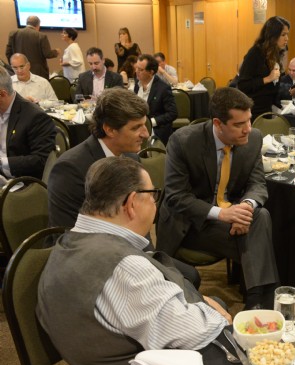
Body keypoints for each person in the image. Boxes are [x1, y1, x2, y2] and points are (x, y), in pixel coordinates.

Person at [38, 157, 231, 365]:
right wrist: (212, 311)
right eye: (152, 195)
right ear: (131, 203)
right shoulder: (124, 266)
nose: (155, 204)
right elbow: (193, 332)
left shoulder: (68, 242)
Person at [46, 87, 201, 287]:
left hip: (129, 249)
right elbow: (68, 236)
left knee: (189, 277)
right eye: (136, 128)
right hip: (91, 262)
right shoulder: (70, 168)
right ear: (110, 129)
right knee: (182, 282)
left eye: (144, 124)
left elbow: (139, 218)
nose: (146, 134)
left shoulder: (130, 157)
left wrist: (147, 258)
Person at [157, 87, 279, 310]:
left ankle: (256, 300)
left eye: (249, 120)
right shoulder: (184, 141)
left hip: (229, 217)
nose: (248, 129)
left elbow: (257, 184)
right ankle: (261, 302)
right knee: (260, 236)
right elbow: (176, 197)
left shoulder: (253, 138)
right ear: (217, 123)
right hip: (190, 223)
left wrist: (245, 208)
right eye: (239, 124)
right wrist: (223, 214)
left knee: (260, 216)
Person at [0, 67, 55, 181]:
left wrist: (2, 163)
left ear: (2, 94)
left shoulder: (35, 116)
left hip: (22, 181)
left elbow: (41, 160)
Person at [238, 16, 290, 118]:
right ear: (273, 36)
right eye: (283, 35)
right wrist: (267, 79)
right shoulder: (255, 53)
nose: (286, 39)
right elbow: (243, 85)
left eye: (287, 34)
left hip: (268, 109)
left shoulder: (276, 54)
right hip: (254, 111)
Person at [134, 54, 177, 144]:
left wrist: (151, 122)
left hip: (156, 130)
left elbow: (172, 113)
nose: (136, 71)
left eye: (140, 70)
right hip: (136, 128)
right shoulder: (137, 84)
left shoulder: (163, 88)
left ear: (151, 72)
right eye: (136, 68)